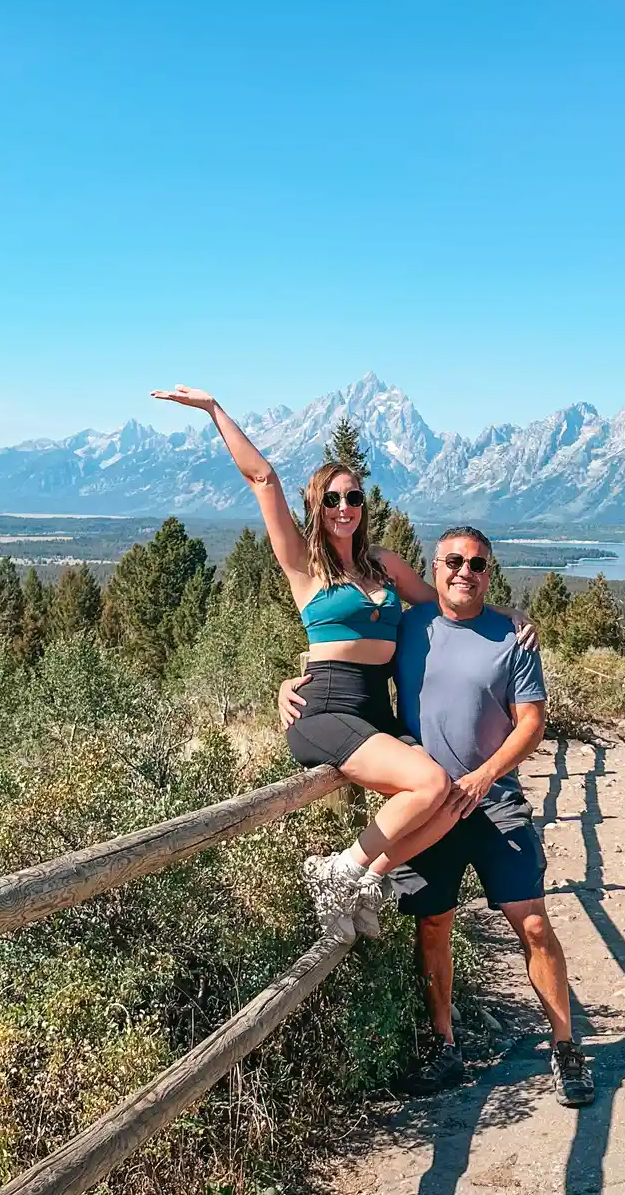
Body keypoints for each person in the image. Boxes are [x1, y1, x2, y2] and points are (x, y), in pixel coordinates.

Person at [149, 387, 534, 908]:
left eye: (353, 497)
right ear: (315, 506)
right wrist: (216, 411)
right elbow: (262, 478)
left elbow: (448, 605)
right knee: (427, 783)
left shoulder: (385, 566)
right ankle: (340, 873)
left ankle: (365, 881)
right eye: (331, 499)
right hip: (326, 706)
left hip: (375, 709)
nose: (343, 507)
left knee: (447, 799)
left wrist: (509, 614)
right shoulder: (305, 568)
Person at [280, 526, 595, 1108]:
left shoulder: (513, 636)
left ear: (488, 572)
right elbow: (345, 651)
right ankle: (445, 1045)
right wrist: (290, 685)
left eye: (477, 564)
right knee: (433, 926)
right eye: (453, 561)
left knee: (530, 923)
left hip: (494, 802)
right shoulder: (410, 625)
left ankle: (566, 1046)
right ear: (435, 565)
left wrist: (482, 777)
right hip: (429, 809)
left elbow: (531, 723)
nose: (464, 572)